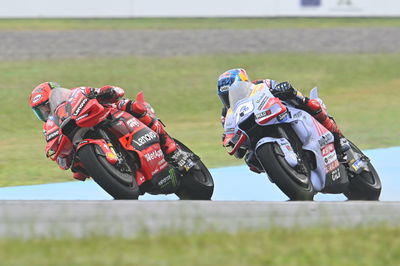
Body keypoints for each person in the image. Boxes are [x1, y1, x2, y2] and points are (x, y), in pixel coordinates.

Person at [29, 81, 194, 183]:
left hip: (103, 115)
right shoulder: (50, 126)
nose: (46, 112)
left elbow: (111, 91)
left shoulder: (76, 94)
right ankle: (113, 171)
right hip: (80, 140)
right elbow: (61, 160)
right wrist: (64, 157)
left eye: (46, 106)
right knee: (77, 170)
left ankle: (172, 148)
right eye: (40, 112)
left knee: (133, 107)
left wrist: (106, 92)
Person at [217, 68, 350, 172]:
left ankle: (339, 138)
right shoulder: (227, 115)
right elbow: (239, 153)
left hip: (279, 113)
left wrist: (286, 89)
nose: (229, 99)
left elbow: (284, 88)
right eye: (225, 97)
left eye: (231, 94)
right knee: (251, 161)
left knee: (313, 105)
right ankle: (286, 171)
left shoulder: (261, 84)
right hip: (256, 135)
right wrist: (231, 140)